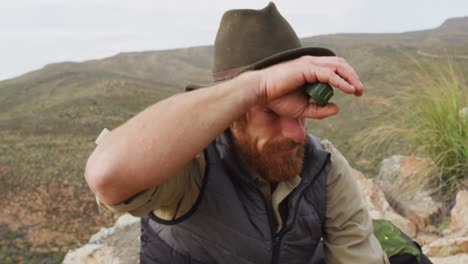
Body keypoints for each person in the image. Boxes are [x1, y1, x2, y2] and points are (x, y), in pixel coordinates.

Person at [85, 3, 390, 263]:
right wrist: (255, 86)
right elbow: (108, 175)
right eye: (272, 112)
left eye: (300, 110)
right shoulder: (191, 166)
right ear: (232, 114)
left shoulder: (323, 166)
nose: (296, 134)